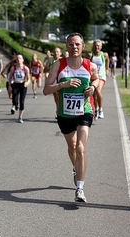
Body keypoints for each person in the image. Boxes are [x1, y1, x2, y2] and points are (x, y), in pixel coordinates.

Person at [43, 33, 99, 203]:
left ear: (82, 46)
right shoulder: (58, 66)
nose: (74, 47)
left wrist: (93, 88)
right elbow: (46, 90)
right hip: (65, 114)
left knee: (81, 147)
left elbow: (96, 80)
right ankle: (76, 168)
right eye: (70, 44)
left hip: (84, 111)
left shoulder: (90, 66)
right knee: (72, 146)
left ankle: (80, 189)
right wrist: (62, 85)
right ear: (66, 47)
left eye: (77, 44)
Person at [8, 54, 31, 123]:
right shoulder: (13, 68)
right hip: (15, 85)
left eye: (20, 58)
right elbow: (10, 78)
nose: (19, 60)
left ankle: (20, 117)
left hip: (23, 85)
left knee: (22, 102)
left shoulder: (26, 68)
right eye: (17, 58)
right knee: (14, 100)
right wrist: (9, 86)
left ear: (23, 60)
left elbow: (29, 79)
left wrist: (27, 83)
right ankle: (15, 105)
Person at [90, 40, 109, 120]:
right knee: (94, 95)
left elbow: (108, 60)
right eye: (95, 45)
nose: (96, 47)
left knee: (98, 90)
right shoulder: (90, 55)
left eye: (98, 46)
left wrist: (107, 69)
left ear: (101, 47)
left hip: (101, 76)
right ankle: (96, 110)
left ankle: (101, 110)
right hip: (94, 77)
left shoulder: (104, 55)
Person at [44, 47, 62, 118]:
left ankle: (60, 109)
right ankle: (58, 109)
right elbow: (45, 70)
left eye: (57, 52)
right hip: (53, 80)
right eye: (54, 52)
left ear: (60, 53)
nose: (56, 53)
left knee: (60, 95)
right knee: (56, 95)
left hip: (61, 79)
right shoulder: (50, 60)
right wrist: (50, 68)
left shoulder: (62, 60)